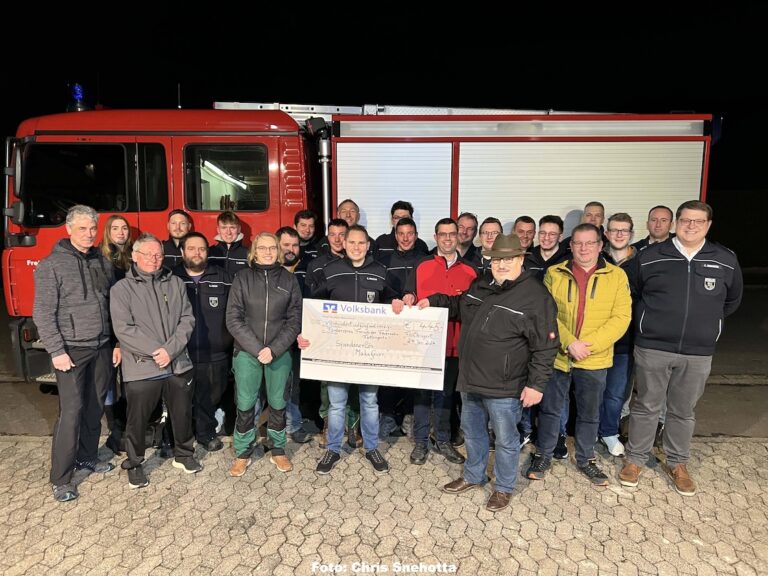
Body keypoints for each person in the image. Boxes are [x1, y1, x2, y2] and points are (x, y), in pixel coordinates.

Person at [418, 234, 559, 512]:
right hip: (471, 379)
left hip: (505, 385)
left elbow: (546, 346)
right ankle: (473, 475)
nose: (502, 264)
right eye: (497, 259)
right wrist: (432, 301)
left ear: (520, 259)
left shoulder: (535, 296)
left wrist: (536, 385)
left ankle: (504, 487)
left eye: (508, 259)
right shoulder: (482, 283)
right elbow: (459, 305)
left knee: (506, 439)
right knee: (472, 431)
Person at [620, 200, 743, 496]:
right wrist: (649, 323)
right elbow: (632, 292)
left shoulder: (725, 259)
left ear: (708, 225)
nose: (691, 226)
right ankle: (635, 459)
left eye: (698, 221)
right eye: (686, 220)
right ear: (676, 222)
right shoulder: (650, 256)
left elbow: (731, 301)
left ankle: (678, 462)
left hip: (697, 351)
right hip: (653, 347)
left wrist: (704, 323)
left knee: (682, 410)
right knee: (647, 405)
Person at [527, 223, 631, 487]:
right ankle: (544, 454)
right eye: (578, 243)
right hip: (559, 355)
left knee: (589, 412)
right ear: (570, 246)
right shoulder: (554, 273)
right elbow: (547, 313)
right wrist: (570, 343)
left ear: (600, 245)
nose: (583, 248)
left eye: (589, 243)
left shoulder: (617, 276)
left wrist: (588, 345)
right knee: (550, 410)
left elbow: (621, 318)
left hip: (594, 358)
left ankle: (586, 459)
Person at [34, 205, 118, 502]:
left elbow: (111, 305)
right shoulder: (51, 265)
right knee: (71, 412)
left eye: (93, 228)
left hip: (102, 345)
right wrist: (56, 350)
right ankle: (61, 478)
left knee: (95, 407)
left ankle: (87, 457)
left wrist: (115, 342)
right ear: (68, 229)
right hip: (71, 350)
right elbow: (42, 312)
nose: (89, 234)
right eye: (82, 228)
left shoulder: (102, 262)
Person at [301, 225, 399, 476]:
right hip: (337, 353)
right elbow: (314, 308)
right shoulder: (330, 272)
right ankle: (333, 448)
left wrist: (399, 302)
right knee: (336, 404)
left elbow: (392, 301)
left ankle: (372, 447)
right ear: (344, 244)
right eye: (351, 242)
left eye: (361, 243)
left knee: (369, 401)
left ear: (368, 245)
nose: (356, 247)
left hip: (369, 354)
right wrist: (307, 334)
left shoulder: (380, 272)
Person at [111, 233, 201, 489]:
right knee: (137, 419)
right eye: (148, 254)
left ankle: (183, 454)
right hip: (142, 366)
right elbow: (124, 329)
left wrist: (169, 351)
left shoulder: (175, 283)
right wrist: (155, 351)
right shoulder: (121, 290)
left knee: (182, 413)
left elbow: (187, 319)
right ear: (135, 256)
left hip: (176, 363)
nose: (154, 259)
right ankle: (135, 463)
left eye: (159, 254)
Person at [226, 232, 302, 476]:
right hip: (248, 352)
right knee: (246, 403)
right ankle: (243, 452)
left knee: (279, 403)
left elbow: (294, 320)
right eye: (262, 248)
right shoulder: (242, 278)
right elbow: (233, 318)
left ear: (278, 251)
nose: (268, 252)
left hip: (279, 352)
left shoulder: (289, 281)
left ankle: (278, 449)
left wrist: (275, 349)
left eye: (272, 248)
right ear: (254, 251)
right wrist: (258, 349)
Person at [403, 218, 477, 466]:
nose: (447, 239)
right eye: (443, 234)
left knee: (446, 395)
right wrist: (408, 297)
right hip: (423, 346)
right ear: (435, 237)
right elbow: (408, 294)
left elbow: (470, 308)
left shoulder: (471, 270)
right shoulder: (420, 265)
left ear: (458, 237)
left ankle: (443, 440)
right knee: (422, 395)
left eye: (452, 234)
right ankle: (421, 442)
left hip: (454, 346)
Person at [173, 231, 233, 453]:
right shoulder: (171, 278)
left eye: (201, 249)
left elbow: (234, 313)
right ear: (182, 252)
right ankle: (181, 437)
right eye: (191, 248)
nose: (197, 253)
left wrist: (227, 343)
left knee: (211, 395)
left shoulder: (223, 277)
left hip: (215, 353)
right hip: (181, 352)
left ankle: (206, 434)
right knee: (182, 399)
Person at [598, 213, 638, 457]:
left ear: (632, 234)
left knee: (615, 392)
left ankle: (609, 432)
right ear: (607, 234)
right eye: (614, 230)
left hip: (624, 341)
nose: (619, 234)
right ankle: (589, 430)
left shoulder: (641, 262)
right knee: (591, 391)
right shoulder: (597, 259)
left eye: (624, 230)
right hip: (595, 339)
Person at [99, 215, 134, 454]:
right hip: (108, 327)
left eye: (124, 228)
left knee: (129, 377)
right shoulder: (101, 259)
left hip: (130, 326)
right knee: (109, 379)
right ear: (107, 232)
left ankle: (128, 422)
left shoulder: (133, 256)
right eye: (115, 228)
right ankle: (114, 427)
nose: (120, 232)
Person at [276, 226, 313, 444]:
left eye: (295, 245)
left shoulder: (309, 270)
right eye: (286, 245)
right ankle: (275, 427)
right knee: (273, 386)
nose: (291, 249)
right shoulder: (268, 271)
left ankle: (294, 424)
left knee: (295, 385)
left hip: (301, 340)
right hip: (273, 340)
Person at [524, 215, 567, 282]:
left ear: (560, 237)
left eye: (552, 234)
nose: (546, 238)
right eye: (542, 233)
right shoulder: (527, 257)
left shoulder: (568, 260)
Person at [209, 211, 249, 276]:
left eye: (232, 227)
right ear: (218, 230)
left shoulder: (249, 254)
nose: (228, 232)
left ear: (239, 229)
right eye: (224, 228)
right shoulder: (209, 252)